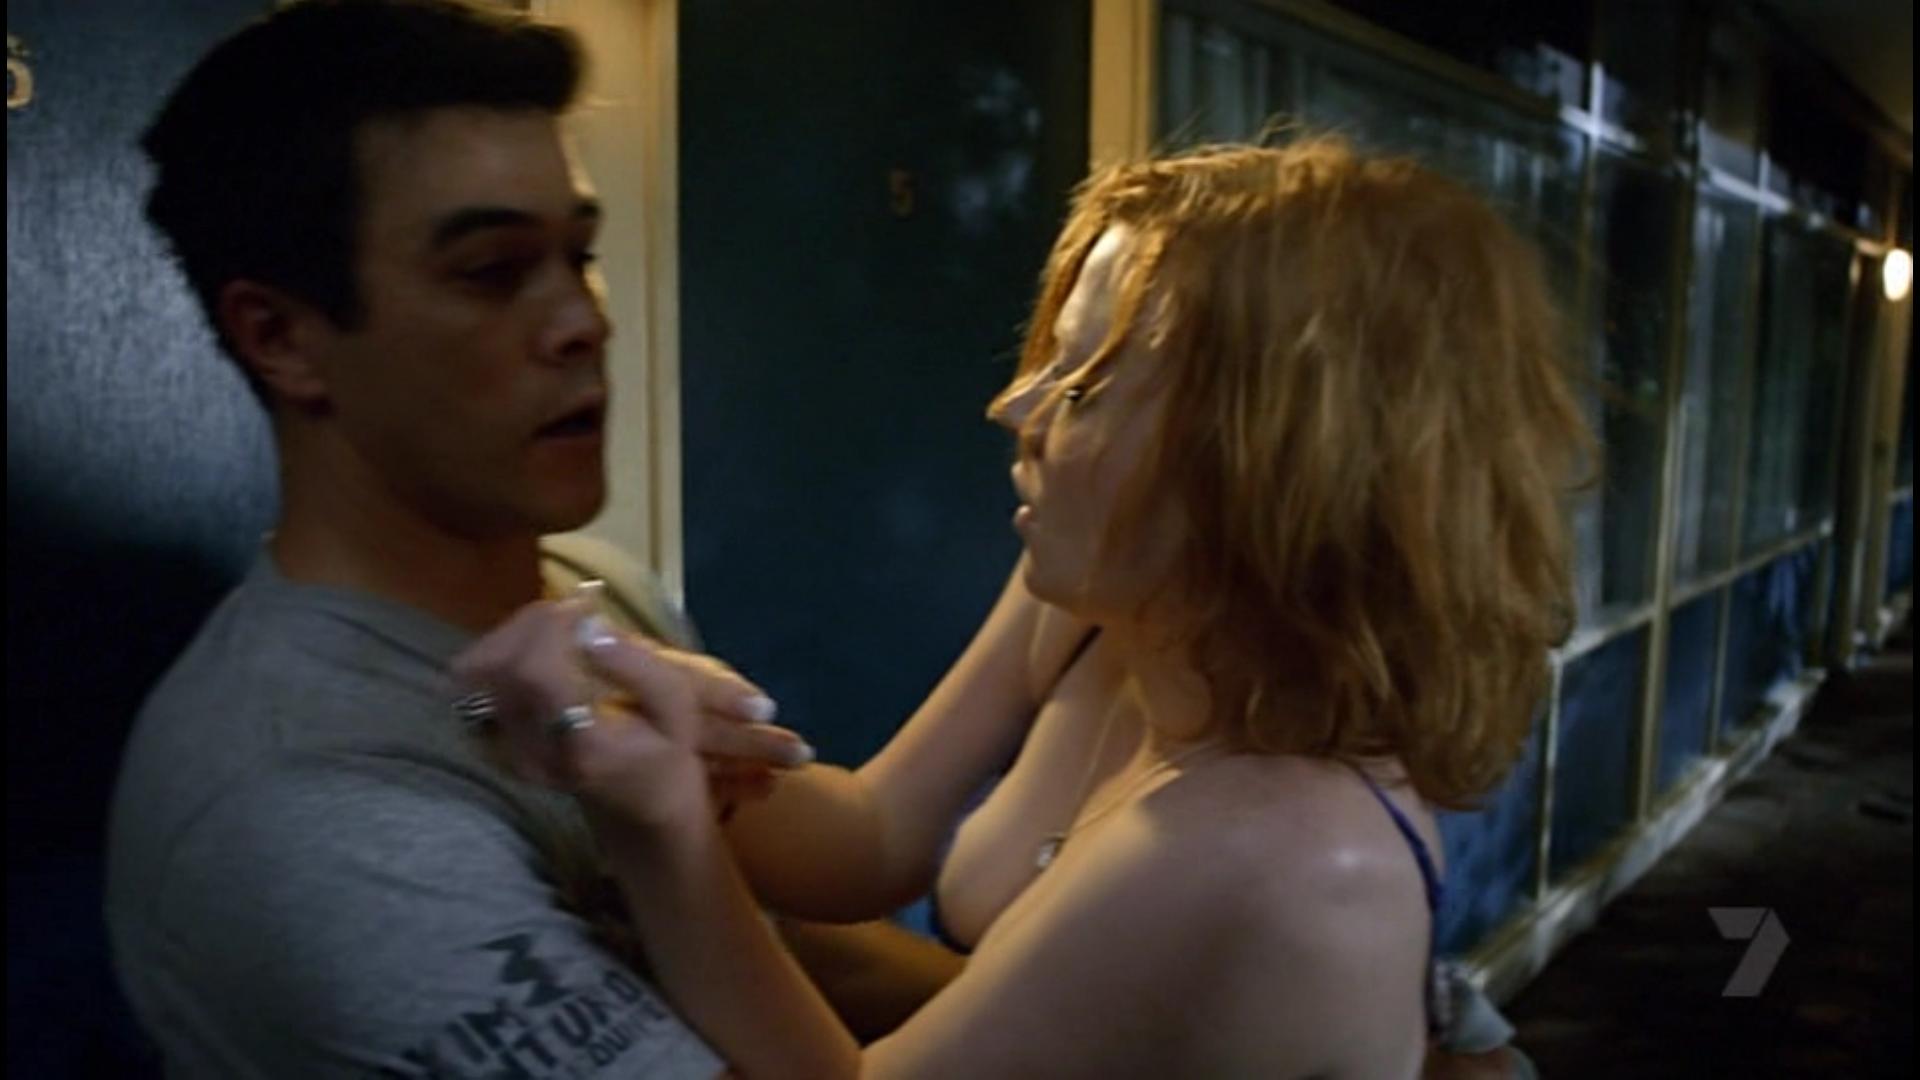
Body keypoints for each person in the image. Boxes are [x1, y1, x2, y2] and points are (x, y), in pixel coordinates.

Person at [458, 137, 1590, 1076]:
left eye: (1086, 383)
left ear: (1272, 459)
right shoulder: (1109, 605)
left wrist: (659, 835)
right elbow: (871, 837)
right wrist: (672, 724)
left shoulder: (1278, 845)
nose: (1014, 405)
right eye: (1050, 358)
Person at [103, 3, 805, 1076]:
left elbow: (819, 945)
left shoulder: (593, 592)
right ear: (282, 338)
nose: (584, 321)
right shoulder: (304, 816)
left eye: (580, 254)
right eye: (491, 271)